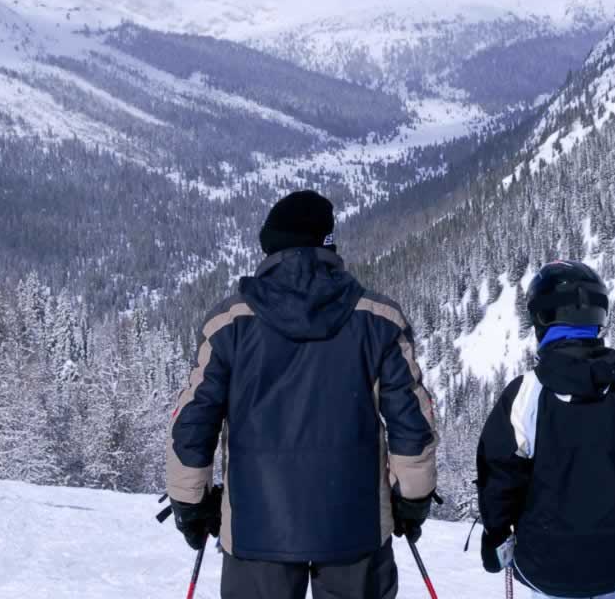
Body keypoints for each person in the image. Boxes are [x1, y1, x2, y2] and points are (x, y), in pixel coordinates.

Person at [164, 190, 439, 599]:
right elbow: (411, 422)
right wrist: (412, 496)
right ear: (327, 244)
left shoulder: (229, 325)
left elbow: (193, 422)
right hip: (355, 525)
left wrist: (189, 502)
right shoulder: (379, 321)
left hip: (256, 530)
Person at [477, 260, 615, 599]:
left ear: (542, 319)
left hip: (545, 568)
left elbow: (498, 474)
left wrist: (496, 536)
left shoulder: (526, 395)